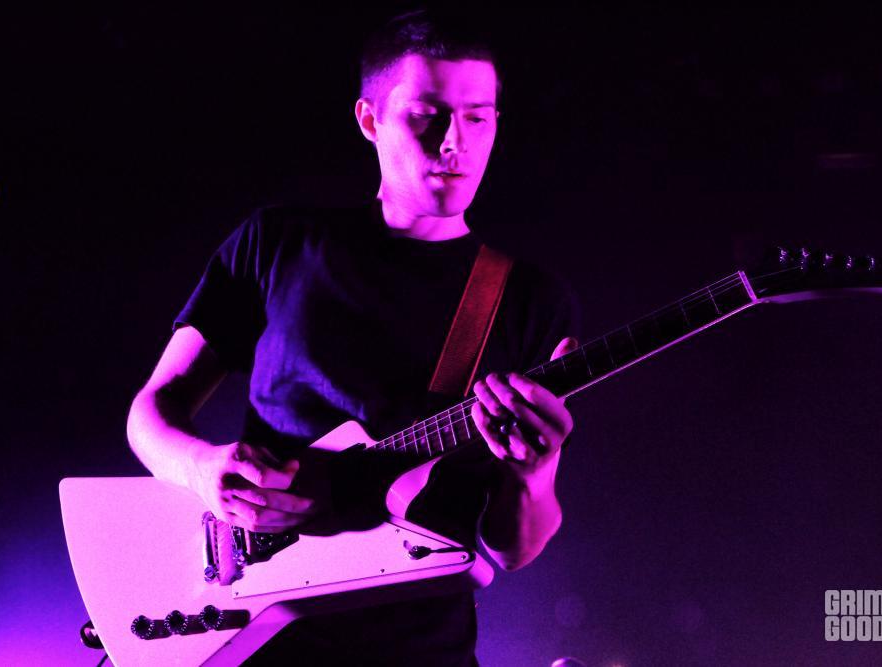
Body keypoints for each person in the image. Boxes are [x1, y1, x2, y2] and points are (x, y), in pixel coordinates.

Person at [126, 8, 580, 665]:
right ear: (370, 119)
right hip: (256, 636)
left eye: (478, 117)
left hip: (422, 651)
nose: (454, 142)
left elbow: (513, 549)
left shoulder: (527, 299)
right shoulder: (278, 242)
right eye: (426, 116)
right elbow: (151, 411)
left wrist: (534, 474)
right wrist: (199, 468)